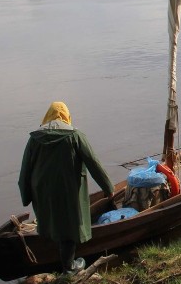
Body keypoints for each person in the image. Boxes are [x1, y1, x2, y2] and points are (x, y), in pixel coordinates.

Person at [18, 101, 115, 274]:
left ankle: (52, 261)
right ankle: (69, 268)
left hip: (42, 192)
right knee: (69, 226)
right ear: (66, 117)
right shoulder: (75, 136)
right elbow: (93, 164)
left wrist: (26, 196)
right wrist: (108, 188)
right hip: (67, 191)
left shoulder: (34, 139)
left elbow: (25, 171)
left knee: (50, 220)